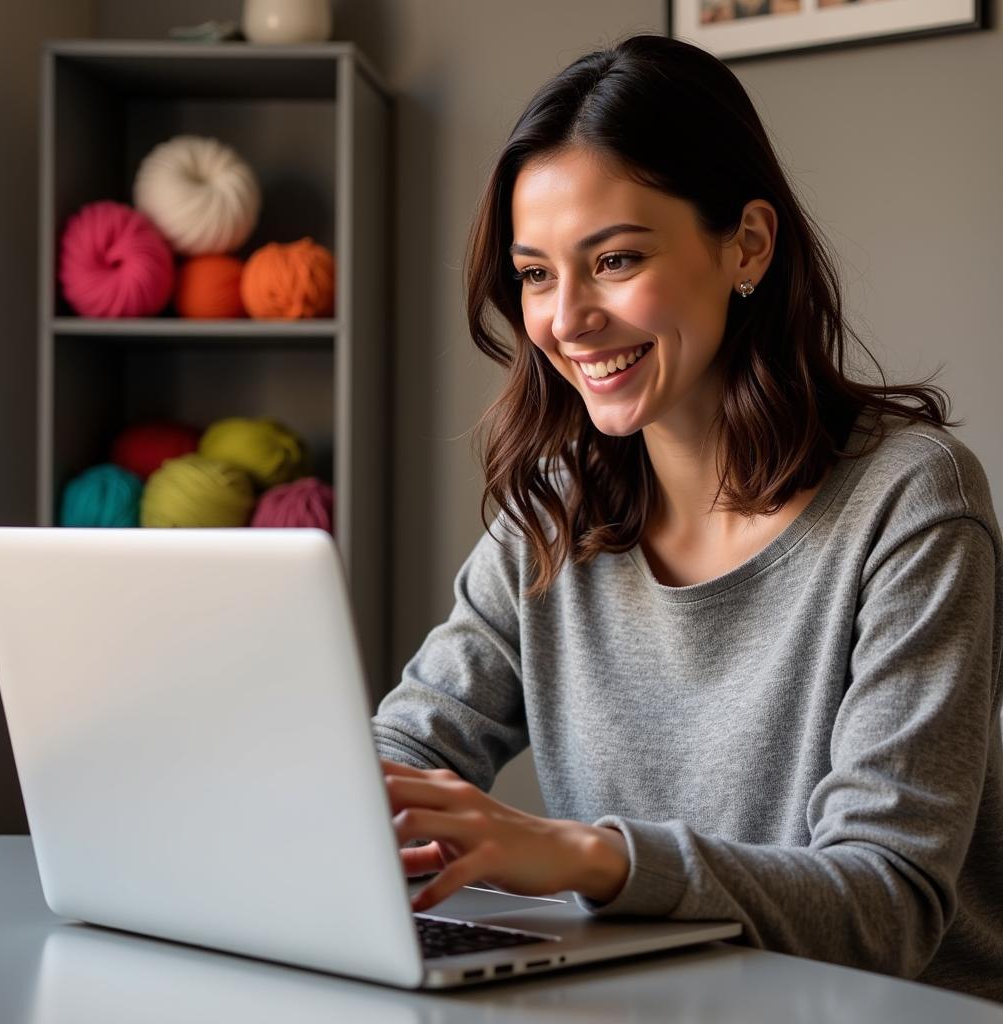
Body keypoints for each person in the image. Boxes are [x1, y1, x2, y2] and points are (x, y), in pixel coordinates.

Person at [371, 33, 1003, 1002]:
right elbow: (405, 755)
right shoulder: (554, 508)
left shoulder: (912, 504)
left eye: (613, 259)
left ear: (746, 243)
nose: (566, 320)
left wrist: (587, 857)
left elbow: (887, 902)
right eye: (535, 273)